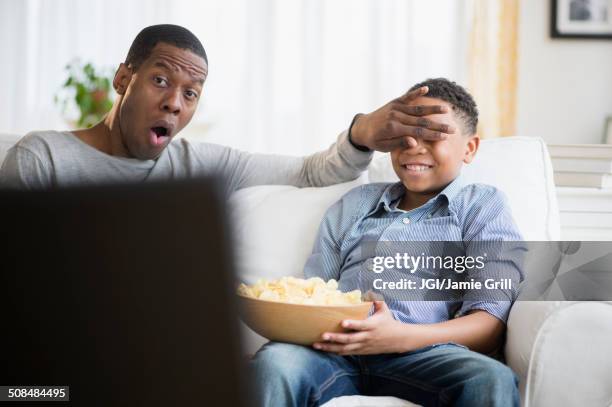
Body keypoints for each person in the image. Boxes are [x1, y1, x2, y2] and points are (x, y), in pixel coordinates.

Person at [250, 78, 524, 407]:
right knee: (274, 365)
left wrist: (400, 337)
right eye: (402, 136)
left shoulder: (482, 205)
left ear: (470, 148)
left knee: (490, 378)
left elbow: (489, 323)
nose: (414, 146)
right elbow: (315, 294)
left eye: (433, 134)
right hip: (337, 351)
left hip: (428, 353)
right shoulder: (353, 205)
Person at [0, 24, 454, 194]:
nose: (174, 103)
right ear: (123, 79)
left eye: (191, 93)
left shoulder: (202, 166)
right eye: (160, 80)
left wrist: (360, 133)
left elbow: (310, 173)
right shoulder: (43, 158)